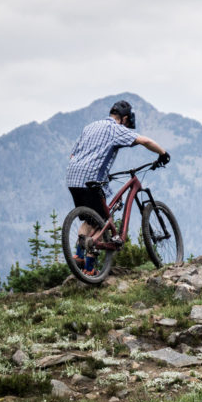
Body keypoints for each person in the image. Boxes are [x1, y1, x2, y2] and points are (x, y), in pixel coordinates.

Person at [66, 100, 170, 274]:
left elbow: (72, 154)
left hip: (73, 177)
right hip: (91, 178)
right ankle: (90, 269)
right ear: (125, 118)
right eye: (128, 123)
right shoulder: (115, 128)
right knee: (103, 222)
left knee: (90, 219)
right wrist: (163, 154)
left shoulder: (90, 127)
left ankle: (78, 255)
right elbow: (144, 140)